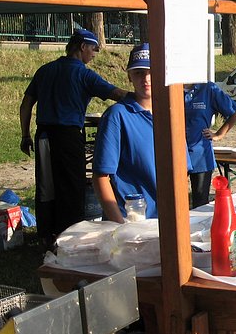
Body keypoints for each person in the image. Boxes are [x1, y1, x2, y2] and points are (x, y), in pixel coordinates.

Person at [19, 29, 129, 248]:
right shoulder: (84, 74)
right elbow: (116, 94)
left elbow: (26, 104)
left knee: (46, 186)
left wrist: (25, 135)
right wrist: (144, 98)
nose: (94, 54)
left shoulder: (45, 70)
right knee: (71, 187)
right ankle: (69, 237)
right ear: (82, 47)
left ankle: (45, 235)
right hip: (68, 137)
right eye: (93, 49)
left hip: (43, 135)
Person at [92, 44, 159, 223]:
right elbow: (101, 177)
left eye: (152, 71)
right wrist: (120, 226)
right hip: (131, 222)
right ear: (129, 76)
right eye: (139, 73)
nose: (146, 78)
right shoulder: (117, 116)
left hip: (163, 220)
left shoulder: (170, 115)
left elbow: (182, 172)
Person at [184, 83, 236, 208]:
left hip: (200, 155)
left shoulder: (208, 89)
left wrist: (218, 134)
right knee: (175, 201)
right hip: (175, 154)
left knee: (200, 203)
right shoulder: (170, 88)